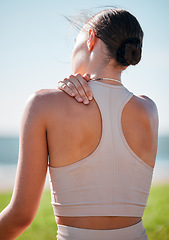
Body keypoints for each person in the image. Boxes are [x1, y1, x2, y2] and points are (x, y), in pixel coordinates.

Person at [0, 8, 158, 240]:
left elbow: (20, 216)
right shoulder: (149, 109)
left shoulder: (43, 104)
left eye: (77, 40)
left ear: (91, 39)